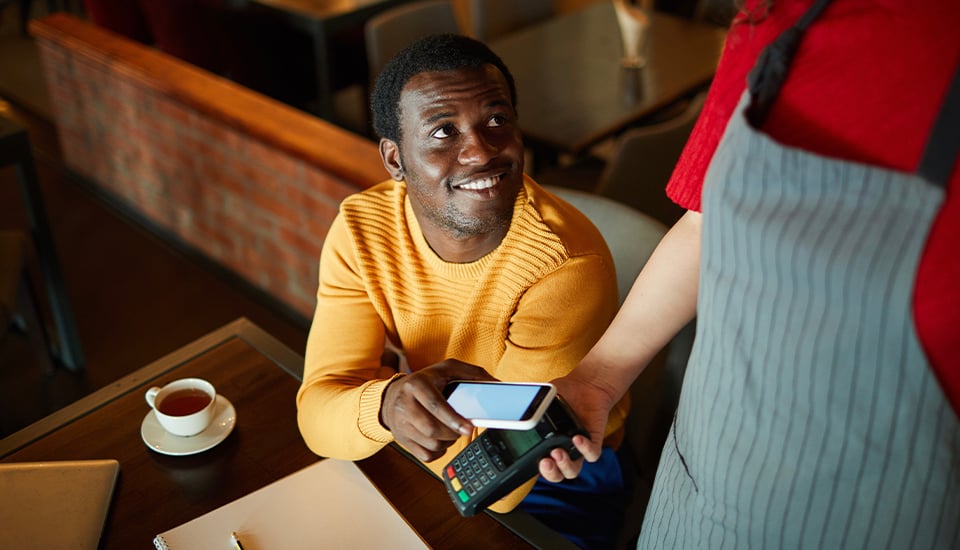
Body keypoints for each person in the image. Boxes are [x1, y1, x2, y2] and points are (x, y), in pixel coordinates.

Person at [540, 0, 960, 547]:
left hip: (878, 513)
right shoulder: (778, 19)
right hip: (703, 473)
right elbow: (703, 224)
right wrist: (600, 376)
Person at [296, 34, 630, 548]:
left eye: (496, 120)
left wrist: (376, 401)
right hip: (442, 438)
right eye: (443, 130)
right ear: (395, 159)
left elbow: (501, 488)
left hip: (559, 473)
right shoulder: (363, 231)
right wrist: (386, 402)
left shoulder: (562, 266)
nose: (480, 152)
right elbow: (316, 413)